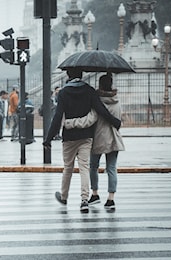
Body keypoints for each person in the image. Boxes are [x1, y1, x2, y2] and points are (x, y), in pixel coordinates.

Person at [42, 68, 121, 213]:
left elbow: (58, 116)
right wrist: (115, 121)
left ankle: (64, 196)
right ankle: (84, 200)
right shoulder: (90, 91)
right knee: (84, 167)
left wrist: (48, 138)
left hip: (69, 136)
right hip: (86, 136)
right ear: (82, 75)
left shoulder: (63, 92)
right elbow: (101, 109)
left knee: (68, 168)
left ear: (68, 75)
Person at [86, 74, 125, 210]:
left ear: (100, 85)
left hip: (98, 137)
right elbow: (119, 119)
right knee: (111, 168)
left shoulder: (96, 101)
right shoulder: (117, 100)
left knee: (93, 166)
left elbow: (92, 119)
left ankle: (95, 193)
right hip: (114, 138)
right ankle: (111, 198)